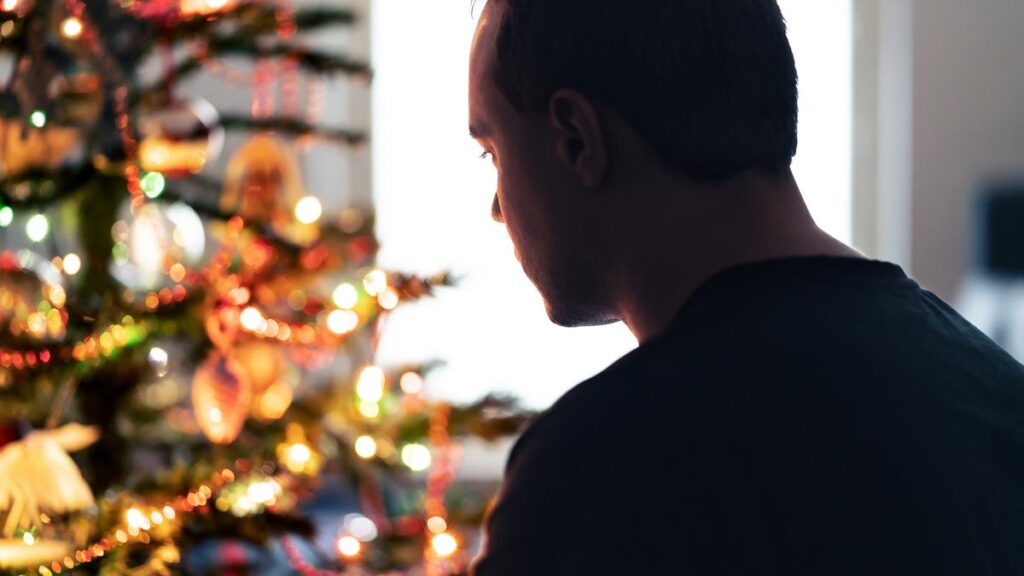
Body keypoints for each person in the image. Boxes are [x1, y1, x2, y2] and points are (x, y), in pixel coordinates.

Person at [466, 0, 1024, 574]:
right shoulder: (998, 397)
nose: (496, 209)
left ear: (577, 139)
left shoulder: (602, 476)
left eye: (493, 152)